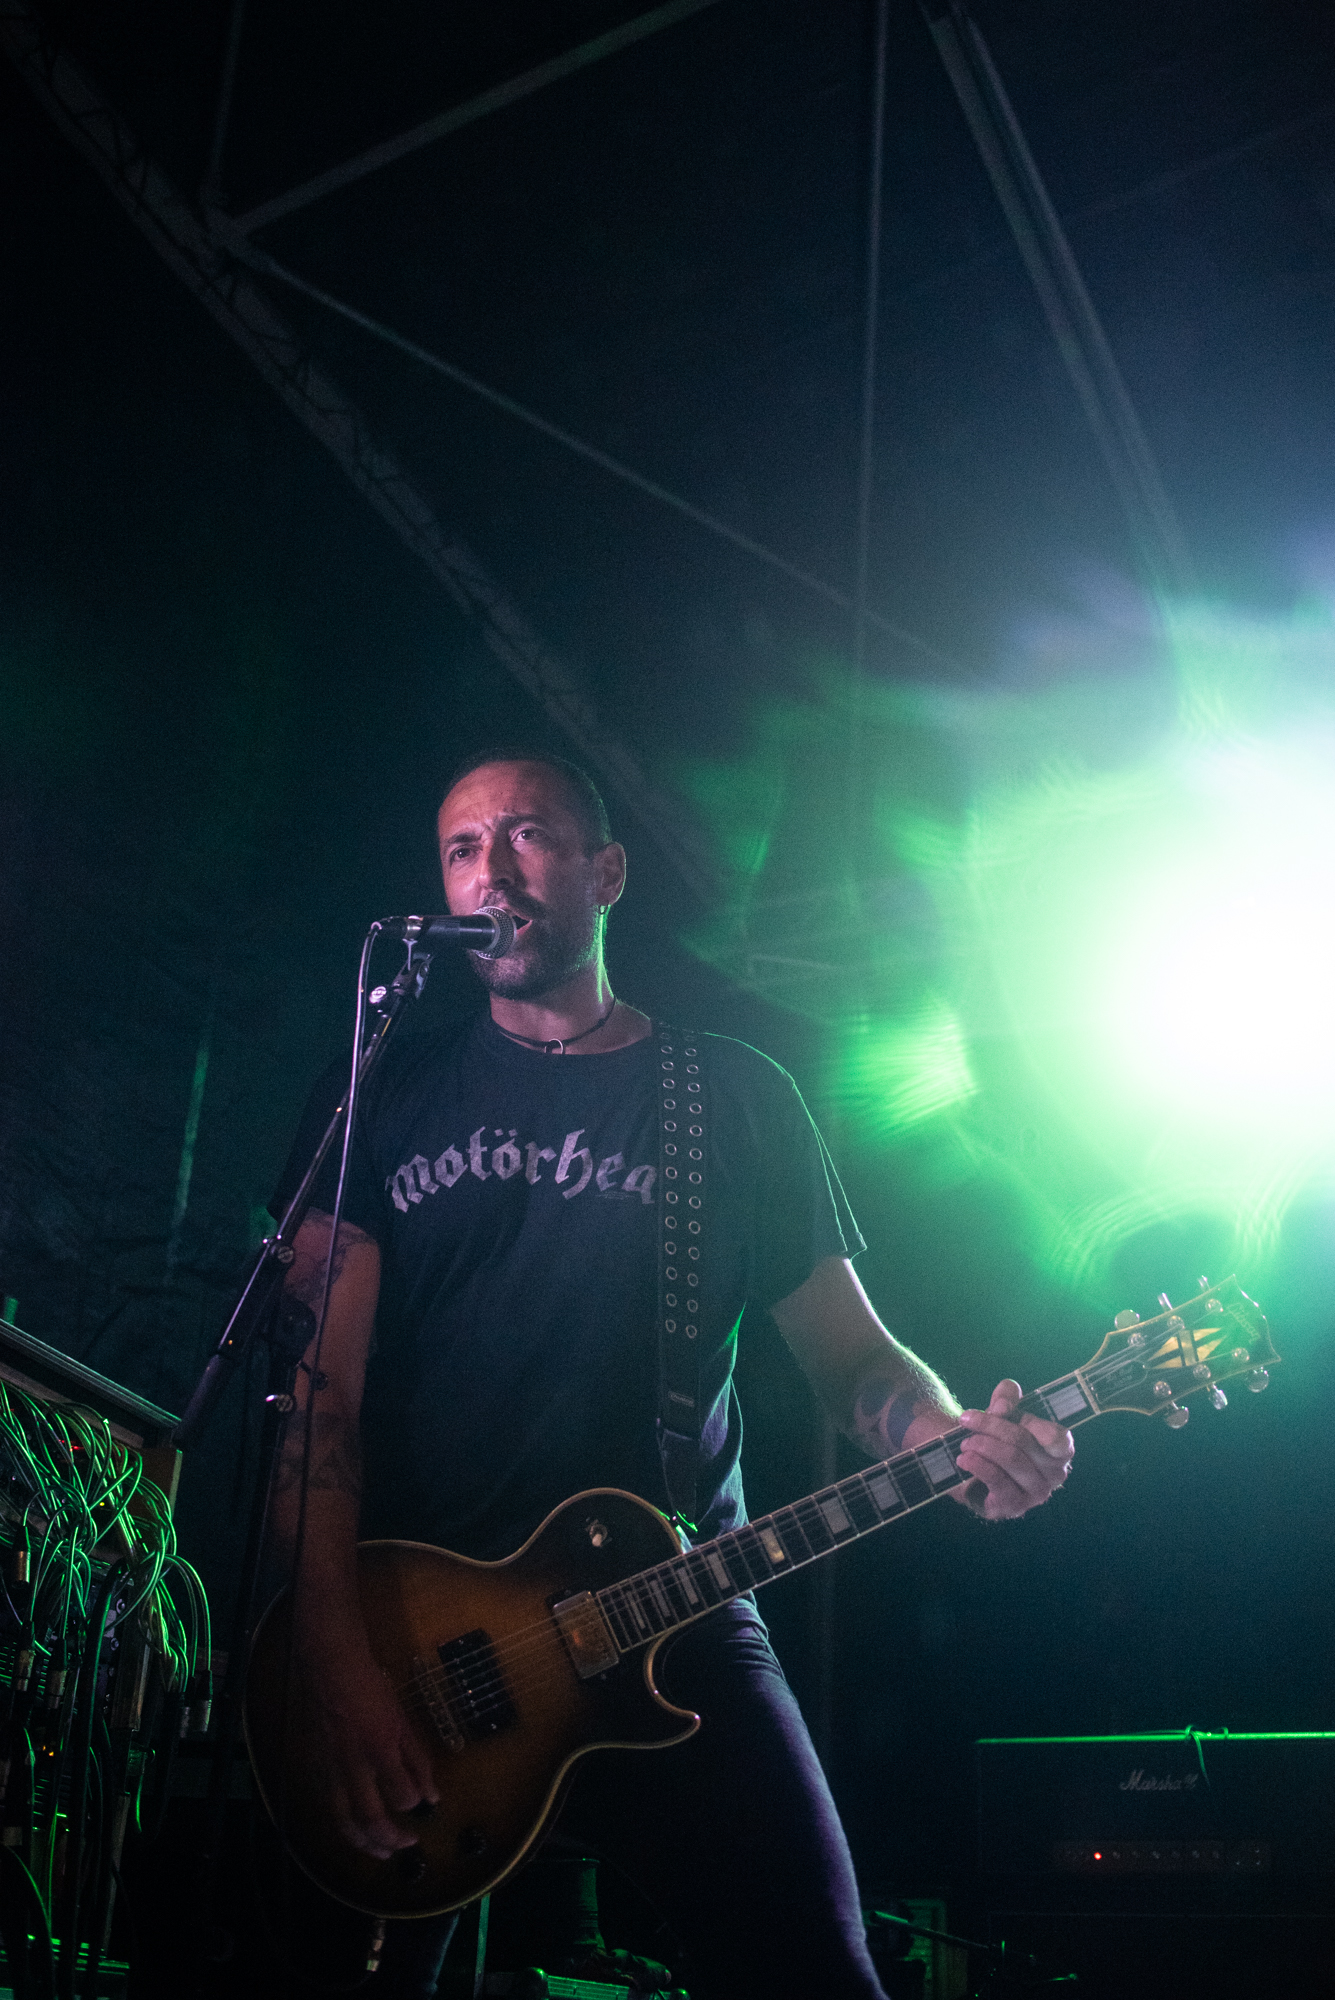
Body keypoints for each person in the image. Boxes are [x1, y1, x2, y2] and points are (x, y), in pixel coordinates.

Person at [268, 751, 1074, 2000]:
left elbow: (854, 1358)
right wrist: (333, 1657)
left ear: (607, 871)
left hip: (675, 1605)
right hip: (418, 1632)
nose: (492, 872)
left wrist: (943, 1433)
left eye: (527, 835)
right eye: (463, 848)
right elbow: (317, 1394)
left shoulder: (734, 1095)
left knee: (815, 1972)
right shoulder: (384, 1092)